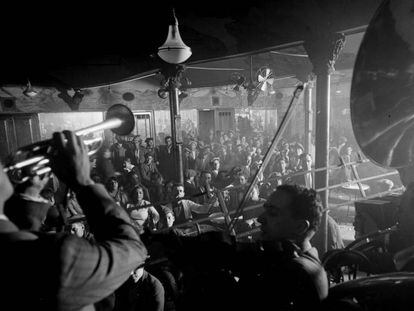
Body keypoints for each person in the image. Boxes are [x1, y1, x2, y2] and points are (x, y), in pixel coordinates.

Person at [0, 130, 147, 310]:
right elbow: (133, 248)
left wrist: (28, 196)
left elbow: (24, 240)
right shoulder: (60, 257)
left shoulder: (14, 239)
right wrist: (83, 182)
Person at [236, 184, 328, 310]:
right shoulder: (305, 260)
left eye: (273, 213)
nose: (260, 218)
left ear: (300, 227)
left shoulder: (293, 272)